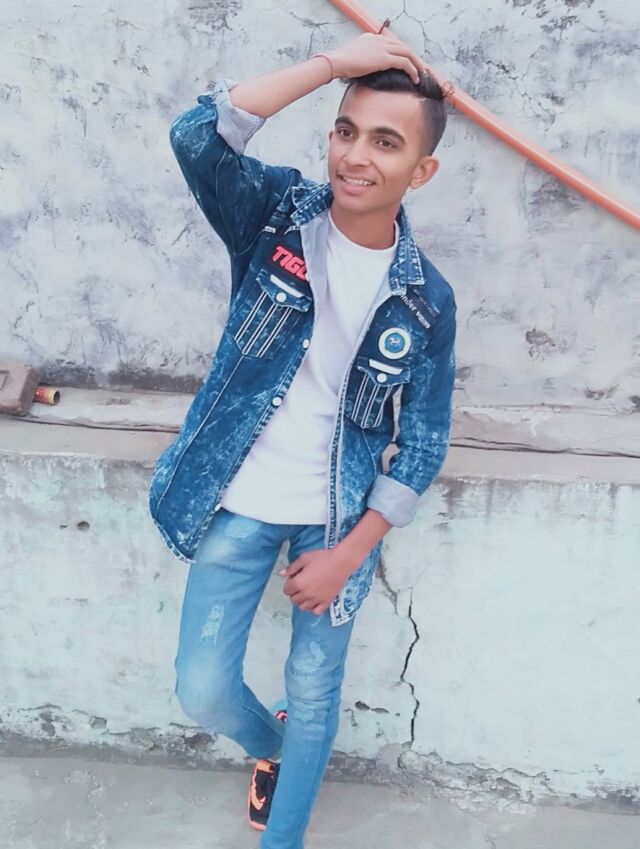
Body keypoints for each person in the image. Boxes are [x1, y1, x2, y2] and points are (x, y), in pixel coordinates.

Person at [148, 29, 457, 849]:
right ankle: (276, 748)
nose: (355, 155)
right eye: (346, 130)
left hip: (336, 517)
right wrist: (331, 66)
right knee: (202, 689)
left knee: (315, 689)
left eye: (385, 141)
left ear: (421, 171)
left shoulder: (425, 300)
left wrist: (348, 553)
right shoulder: (275, 217)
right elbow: (196, 136)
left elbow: (423, 444)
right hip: (239, 497)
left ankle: (282, 834)